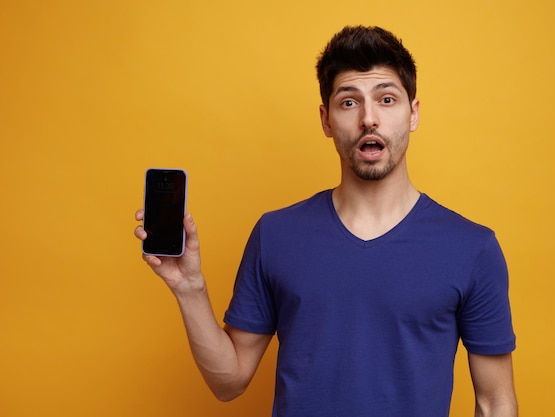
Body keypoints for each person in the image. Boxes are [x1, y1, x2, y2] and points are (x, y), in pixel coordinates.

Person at [134, 25, 517, 417]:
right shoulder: (276, 235)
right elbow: (228, 382)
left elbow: (495, 402)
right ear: (326, 120)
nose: (370, 119)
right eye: (349, 103)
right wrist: (190, 289)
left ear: (413, 113)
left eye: (387, 99)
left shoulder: (471, 248)